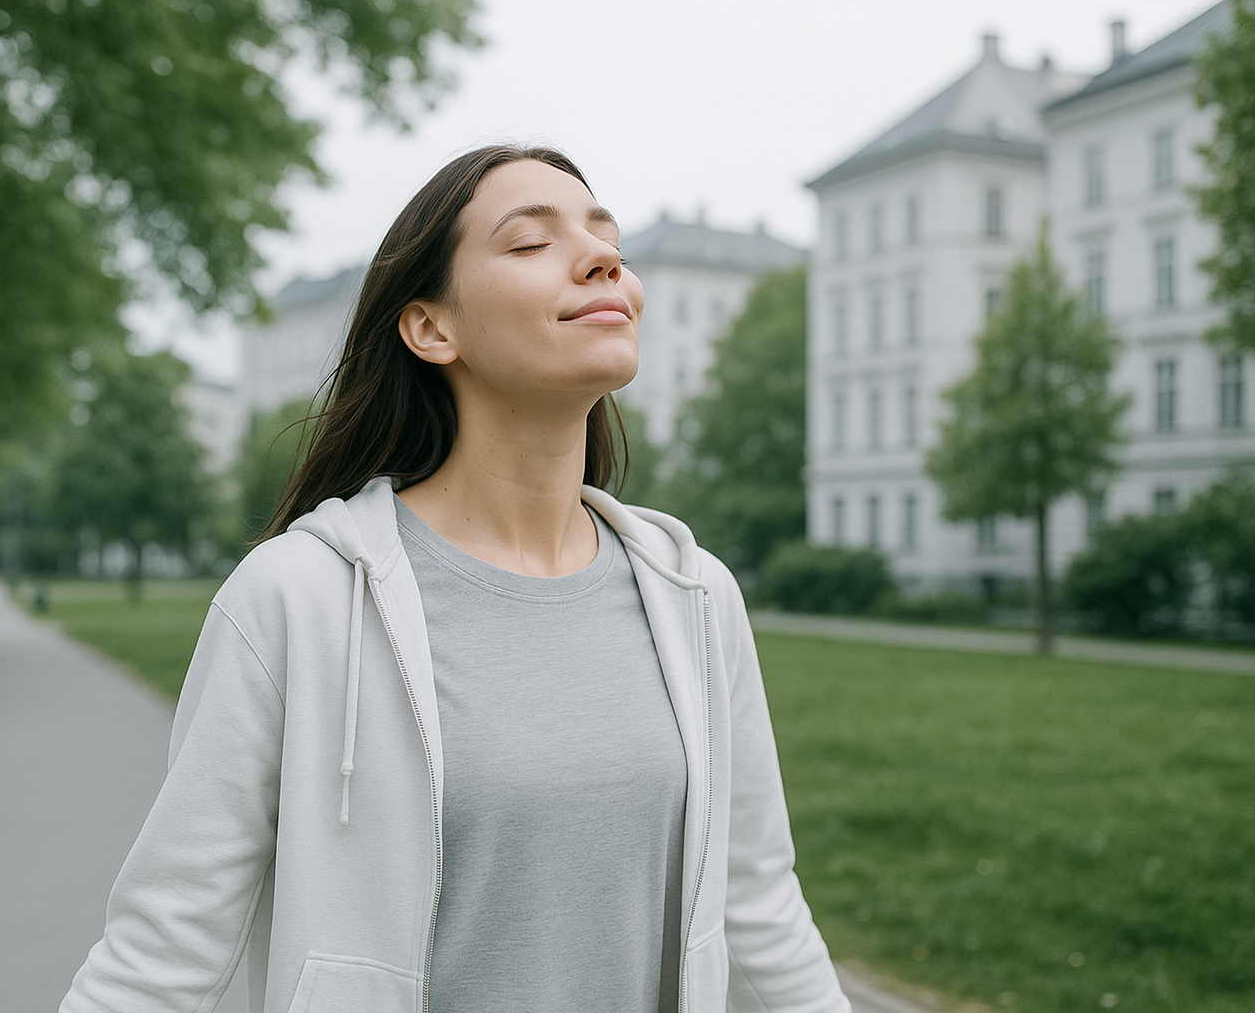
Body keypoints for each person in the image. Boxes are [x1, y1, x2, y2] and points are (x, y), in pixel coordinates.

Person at [60, 145, 850, 1013]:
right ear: (433, 328)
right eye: (529, 244)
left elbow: (763, 911)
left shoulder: (697, 596)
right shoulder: (296, 597)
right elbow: (161, 953)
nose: (603, 260)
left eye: (604, 237)